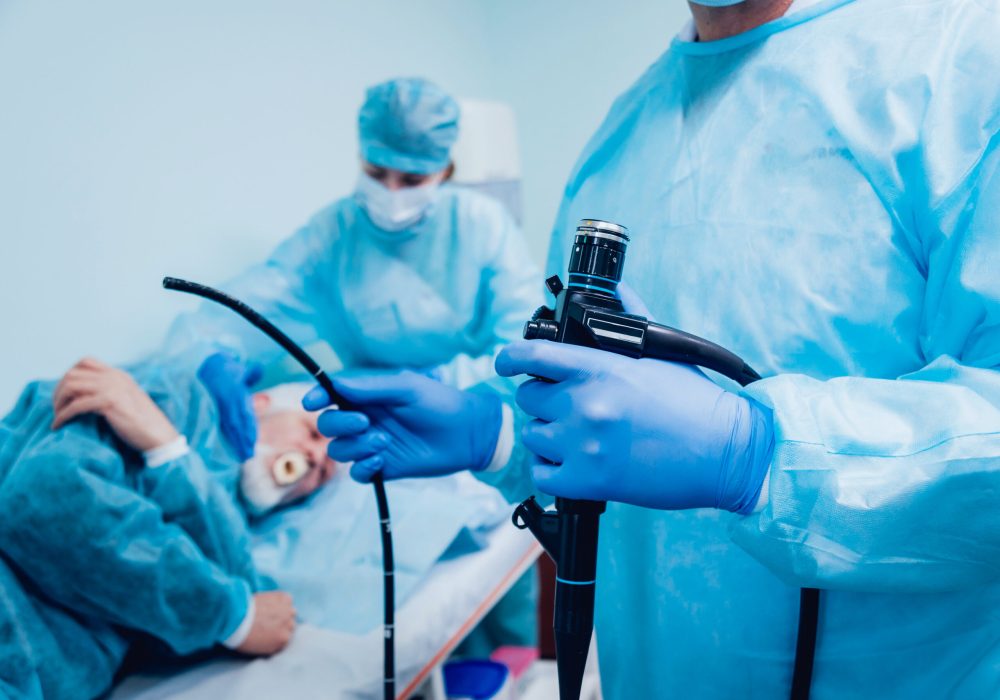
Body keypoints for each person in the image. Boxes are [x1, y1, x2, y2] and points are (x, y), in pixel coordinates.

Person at [305, 0, 1000, 697]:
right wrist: (502, 433)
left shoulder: (962, 70)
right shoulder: (622, 135)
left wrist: (756, 453)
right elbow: (598, 419)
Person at [161, 76, 541, 462]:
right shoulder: (329, 239)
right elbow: (225, 318)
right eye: (377, 173)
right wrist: (210, 359)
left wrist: (443, 384)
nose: (392, 193)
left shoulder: (482, 224)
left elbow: (524, 345)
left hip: (480, 418)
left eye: (412, 180)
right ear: (361, 158)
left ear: (444, 171)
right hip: (374, 423)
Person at [0, 357, 337, 700]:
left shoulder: (235, 527)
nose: (315, 457)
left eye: (323, 473)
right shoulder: (176, 397)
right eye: (313, 433)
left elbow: (237, 619)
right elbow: (50, 497)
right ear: (259, 403)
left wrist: (170, 453)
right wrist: (167, 446)